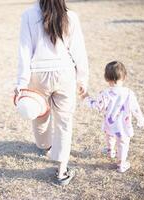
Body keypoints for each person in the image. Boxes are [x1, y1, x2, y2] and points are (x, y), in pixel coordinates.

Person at [14, 0, 88, 185]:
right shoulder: (71, 16)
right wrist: (82, 78)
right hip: (65, 73)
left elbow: (24, 50)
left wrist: (22, 81)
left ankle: (44, 145)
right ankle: (62, 171)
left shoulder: (28, 14)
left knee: (39, 113)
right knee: (64, 122)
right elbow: (79, 50)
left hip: (38, 73)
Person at [80, 61, 144, 173]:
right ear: (125, 77)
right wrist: (141, 120)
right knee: (122, 143)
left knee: (109, 136)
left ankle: (110, 150)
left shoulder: (105, 93)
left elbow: (97, 106)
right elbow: (135, 109)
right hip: (123, 126)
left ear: (106, 78)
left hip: (109, 124)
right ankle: (121, 163)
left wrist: (85, 97)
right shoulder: (129, 93)